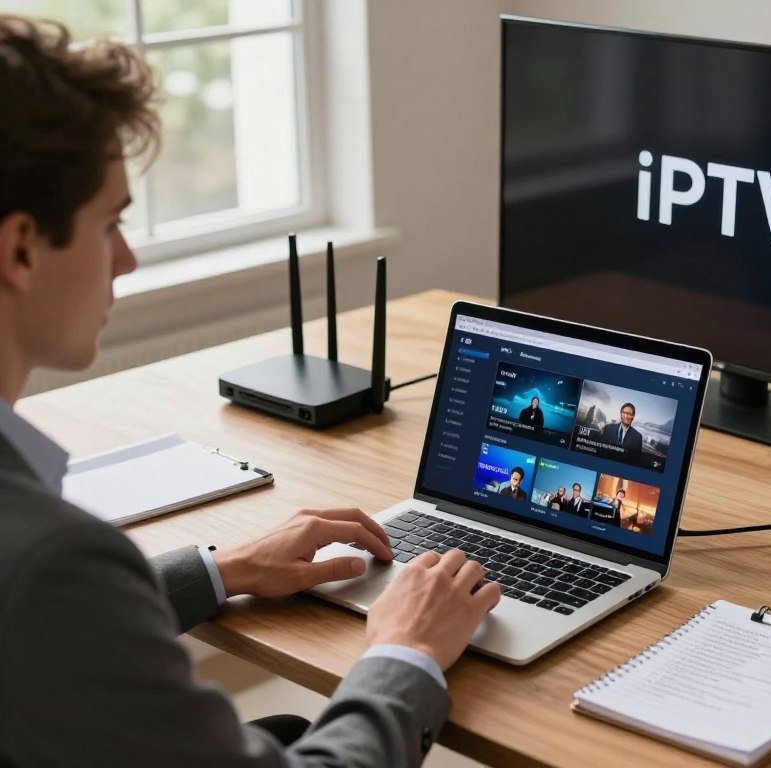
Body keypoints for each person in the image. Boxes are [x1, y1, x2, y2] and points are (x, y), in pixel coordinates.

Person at [0, 16, 499, 767]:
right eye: (110, 224)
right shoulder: (54, 561)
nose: (128, 260)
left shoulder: (47, 574)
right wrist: (406, 653)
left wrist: (218, 570)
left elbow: (44, 633)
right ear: (20, 248)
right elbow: (49, 600)